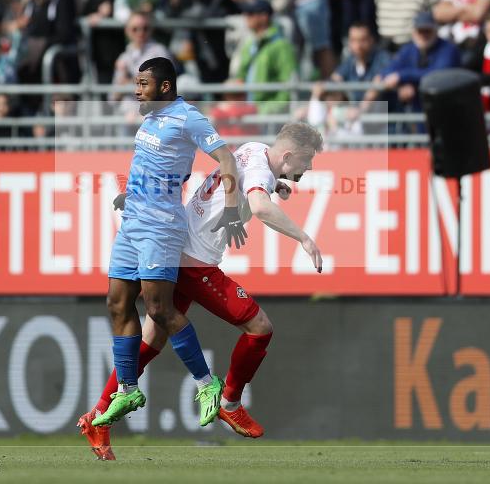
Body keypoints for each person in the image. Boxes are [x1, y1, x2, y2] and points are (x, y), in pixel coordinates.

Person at [79, 123, 325, 459]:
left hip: (177, 249)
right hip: (196, 264)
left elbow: (249, 183)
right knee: (260, 329)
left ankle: (96, 417)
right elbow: (261, 206)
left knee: (151, 342)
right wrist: (305, 238)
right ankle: (230, 401)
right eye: (308, 160)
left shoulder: (254, 149)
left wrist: (273, 185)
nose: (309, 168)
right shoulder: (260, 173)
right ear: (289, 155)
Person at [91, 56, 246, 429]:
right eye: (136, 83)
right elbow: (151, 162)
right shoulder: (151, 116)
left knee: (159, 309)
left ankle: (207, 385)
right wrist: (130, 195)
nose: (136, 90)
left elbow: (225, 157)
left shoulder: (188, 117)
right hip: (132, 222)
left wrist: (230, 209)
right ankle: (127, 388)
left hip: (161, 227)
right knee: (117, 302)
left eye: (143, 83)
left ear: (164, 86)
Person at [365, 12, 462, 114]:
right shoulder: (410, 49)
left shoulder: (448, 49)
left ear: (435, 30)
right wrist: (401, 86)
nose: (424, 35)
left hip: (446, 109)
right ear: (414, 32)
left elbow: (437, 75)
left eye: (427, 31)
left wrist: (402, 77)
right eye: (420, 31)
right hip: (419, 111)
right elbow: (388, 71)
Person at [232, 0, 298, 115]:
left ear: (264, 17)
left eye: (251, 14)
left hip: (268, 118)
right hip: (249, 113)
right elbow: (241, 77)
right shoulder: (249, 44)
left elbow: (288, 86)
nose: (246, 17)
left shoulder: (281, 46)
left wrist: (266, 111)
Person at [16, 0, 77, 86]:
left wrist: (40, 44)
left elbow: (65, 34)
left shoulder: (61, 2)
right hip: (32, 72)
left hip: (57, 68)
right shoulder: (30, 5)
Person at [331, 22, 389, 97]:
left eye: (362, 40)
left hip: (385, 108)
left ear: (371, 40)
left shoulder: (382, 58)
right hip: (357, 107)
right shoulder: (350, 60)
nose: (358, 46)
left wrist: (361, 108)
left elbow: (378, 83)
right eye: (353, 40)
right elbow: (335, 78)